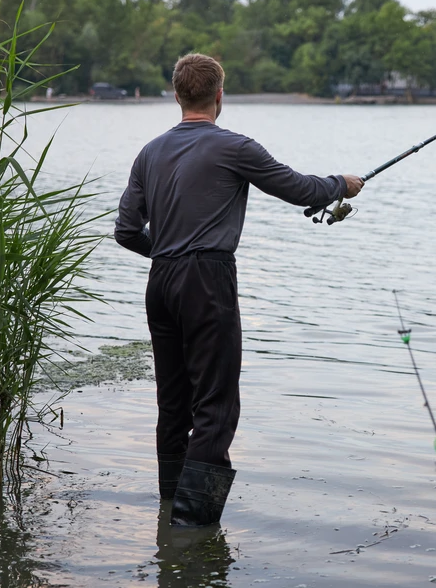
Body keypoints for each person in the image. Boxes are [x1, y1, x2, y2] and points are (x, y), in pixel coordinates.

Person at [114, 53, 363, 527]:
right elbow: (299, 189)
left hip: (160, 281)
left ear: (177, 94)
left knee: (173, 402)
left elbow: (126, 231)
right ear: (219, 96)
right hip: (207, 280)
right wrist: (341, 184)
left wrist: (169, 251)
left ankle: (171, 506)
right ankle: (193, 525)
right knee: (215, 402)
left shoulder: (149, 152)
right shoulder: (234, 147)